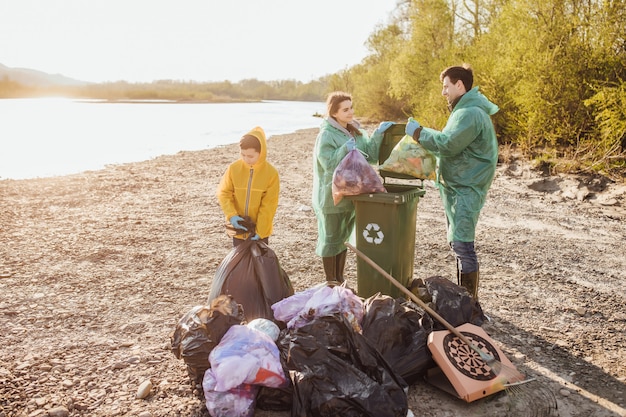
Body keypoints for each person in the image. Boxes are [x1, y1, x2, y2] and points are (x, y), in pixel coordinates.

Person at [405, 64, 499, 299]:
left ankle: (469, 303)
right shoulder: (466, 111)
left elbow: (447, 144)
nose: (443, 92)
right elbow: (451, 142)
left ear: (460, 85)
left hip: (466, 188)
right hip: (460, 186)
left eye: (446, 86)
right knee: (458, 244)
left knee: (463, 245)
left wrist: (418, 133)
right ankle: (465, 299)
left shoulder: (470, 113)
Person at [312, 91, 393, 283]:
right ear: (334, 113)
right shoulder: (326, 135)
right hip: (331, 197)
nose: (350, 112)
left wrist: (379, 133)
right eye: (345, 109)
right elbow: (328, 165)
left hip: (352, 195)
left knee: (342, 240)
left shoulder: (355, 130)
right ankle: (331, 282)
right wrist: (343, 149)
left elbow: (371, 155)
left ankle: (339, 280)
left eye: (351, 108)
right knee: (330, 240)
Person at [216, 126, 280, 247]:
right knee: (240, 264)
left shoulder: (271, 174)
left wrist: (260, 231)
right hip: (239, 228)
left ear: (261, 153)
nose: (246, 159)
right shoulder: (233, 169)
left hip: (259, 232)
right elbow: (224, 193)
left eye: (250, 156)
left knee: (259, 264)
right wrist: (232, 216)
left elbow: (269, 205)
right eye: (243, 155)